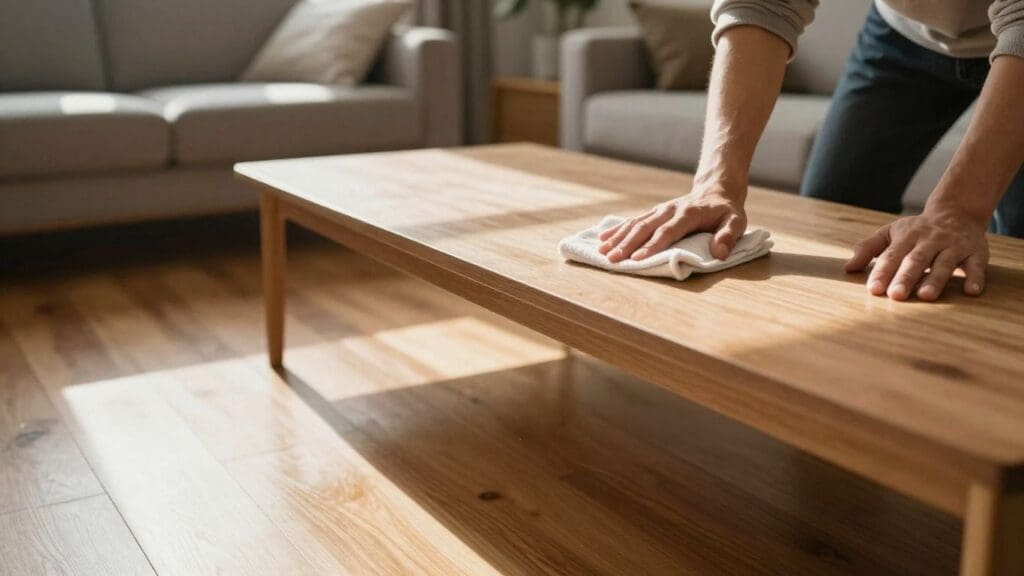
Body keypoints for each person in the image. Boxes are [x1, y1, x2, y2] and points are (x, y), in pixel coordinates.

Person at [599, 0, 1024, 301]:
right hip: (901, 35)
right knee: (831, 212)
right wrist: (716, 183)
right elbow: (762, 6)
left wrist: (958, 209)